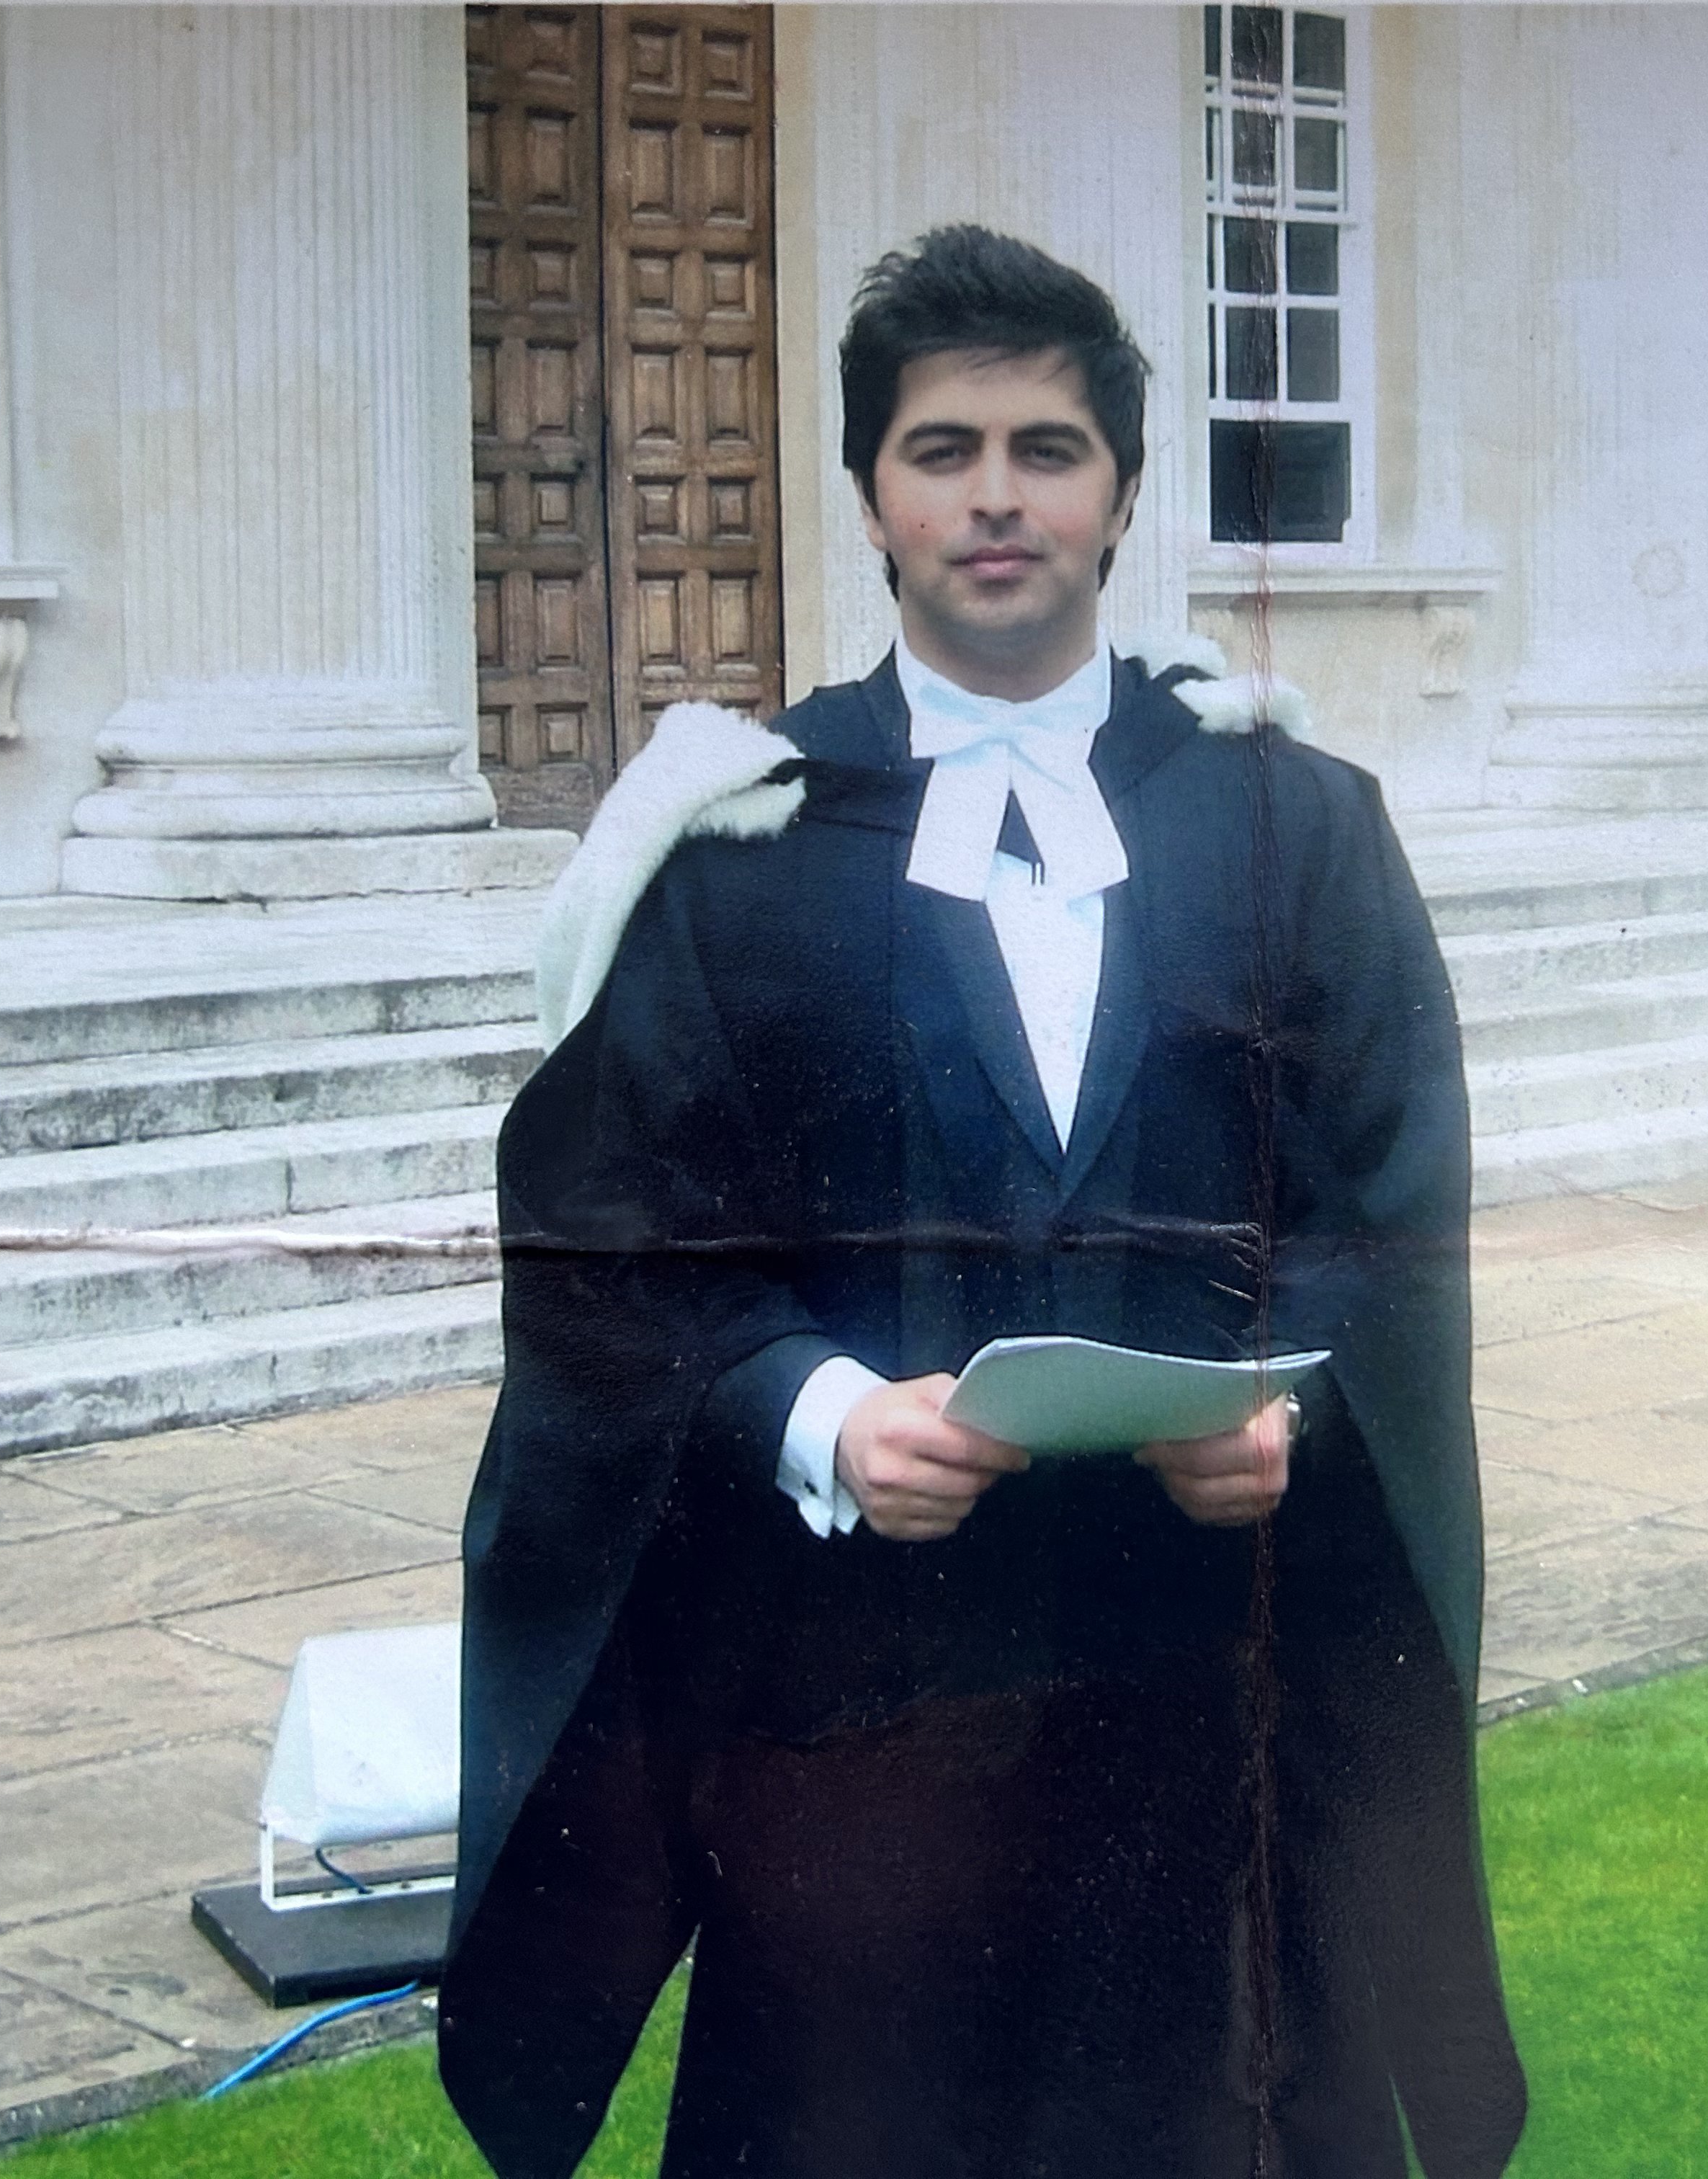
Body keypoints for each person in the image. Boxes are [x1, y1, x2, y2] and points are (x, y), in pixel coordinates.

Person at [440, 225, 1524, 2179]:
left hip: (1211, 1710)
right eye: (943, 449)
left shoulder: (1294, 821)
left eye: (1046, 447)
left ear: (1119, 493)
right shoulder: (741, 846)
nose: (997, 497)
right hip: (860, 1723)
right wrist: (816, 1412)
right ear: (869, 493)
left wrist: (1304, 1406)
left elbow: (1390, 1214)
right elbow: (615, 1257)